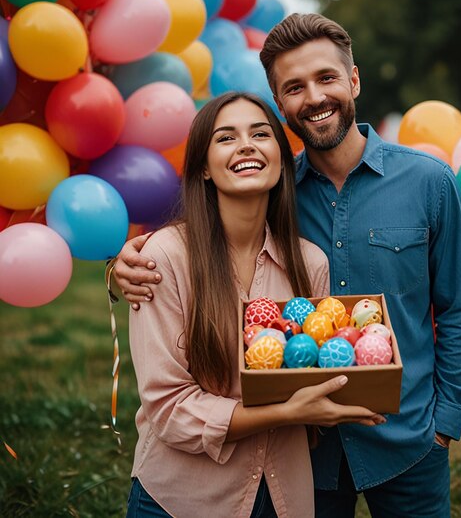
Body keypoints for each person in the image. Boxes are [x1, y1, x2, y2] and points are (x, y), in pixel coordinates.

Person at [114, 15, 461, 518]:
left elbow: (458, 307)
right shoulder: (272, 191)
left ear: (353, 80)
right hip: (306, 454)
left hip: (409, 440)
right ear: (280, 102)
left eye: (326, 78)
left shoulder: (428, 182)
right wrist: (122, 264)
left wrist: (444, 423)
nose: (313, 97)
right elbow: (198, 235)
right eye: (293, 88)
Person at [120, 90, 386, 518]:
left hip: (283, 497)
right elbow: (168, 409)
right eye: (225, 138)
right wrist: (286, 412)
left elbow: (317, 365)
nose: (246, 144)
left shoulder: (310, 263)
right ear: (204, 169)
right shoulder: (163, 258)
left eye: (260, 134)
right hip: (182, 498)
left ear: (282, 160)